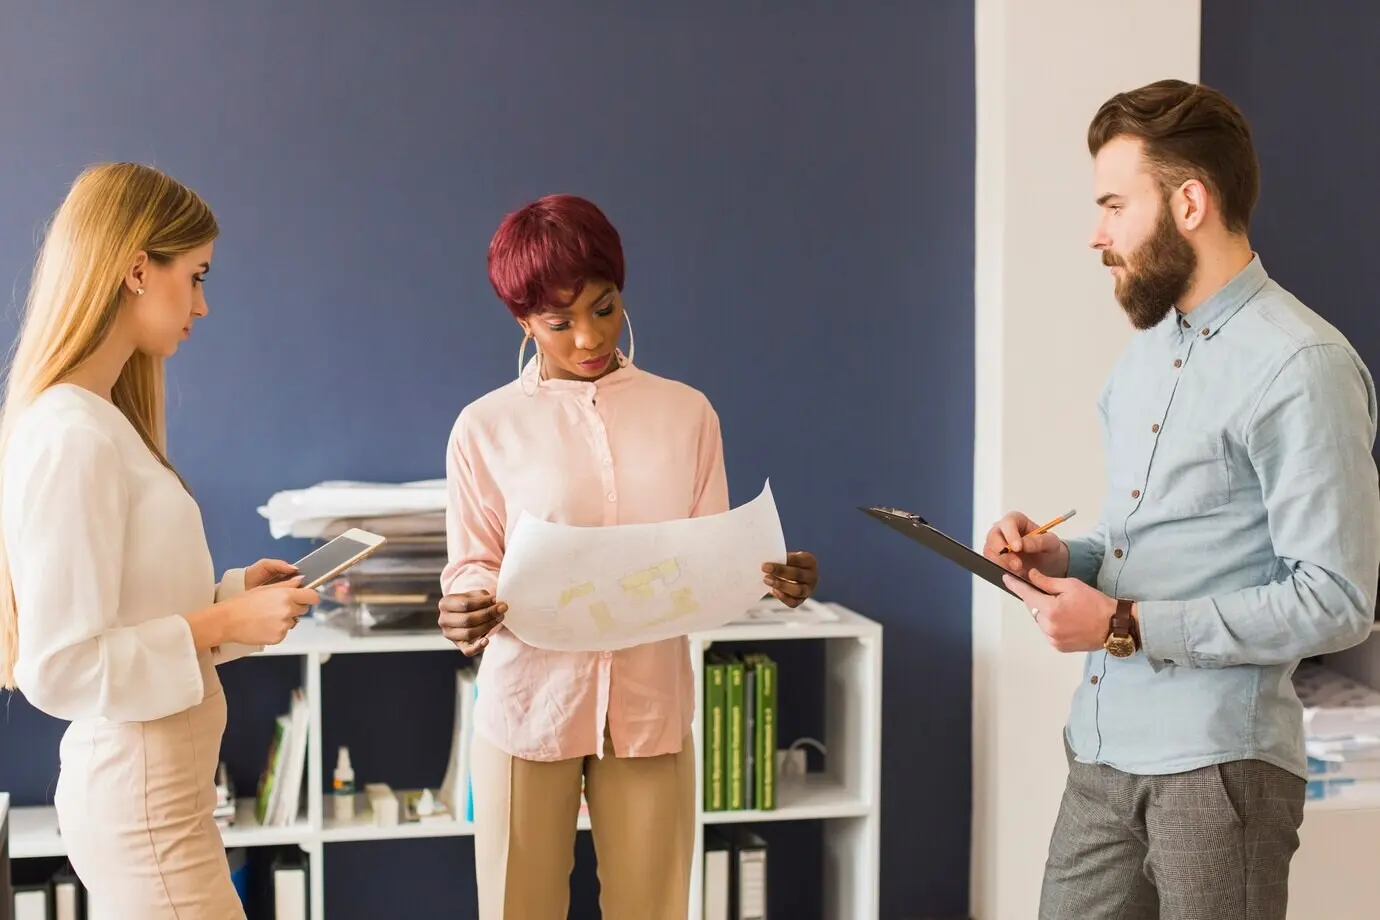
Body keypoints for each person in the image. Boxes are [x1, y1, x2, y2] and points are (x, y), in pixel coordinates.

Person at [983, 79, 1380, 920]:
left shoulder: (1302, 364)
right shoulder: (1145, 356)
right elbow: (1156, 544)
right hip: (1100, 754)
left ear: (1189, 201)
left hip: (1220, 773)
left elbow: (1338, 601)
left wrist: (1123, 624)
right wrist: (1068, 557)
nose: (1098, 235)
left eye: (1115, 205)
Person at [437, 193, 819, 919]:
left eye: (603, 307)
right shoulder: (484, 428)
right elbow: (472, 562)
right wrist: (467, 606)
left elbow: (713, 557)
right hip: (529, 705)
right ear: (523, 321)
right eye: (559, 322)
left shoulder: (688, 414)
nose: (588, 336)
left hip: (649, 707)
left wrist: (773, 577)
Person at [0, 163, 320, 919]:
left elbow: (132, 613)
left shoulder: (105, 423)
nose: (203, 306)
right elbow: (62, 664)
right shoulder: (71, 435)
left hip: (162, 798)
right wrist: (220, 624)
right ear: (138, 268)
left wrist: (234, 601)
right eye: (197, 276)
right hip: (142, 807)